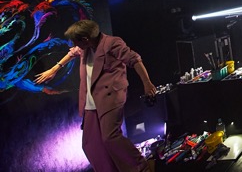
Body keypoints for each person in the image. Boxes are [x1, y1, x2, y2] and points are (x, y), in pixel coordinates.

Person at [35, 19, 156, 172]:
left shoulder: (111, 43)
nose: (74, 45)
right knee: (90, 144)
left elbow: (135, 60)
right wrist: (54, 69)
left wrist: (147, 83)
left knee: (110, 138)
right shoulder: (84, 47)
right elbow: (72, 53)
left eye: (76, 42)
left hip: (110, 97)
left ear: (85, 39)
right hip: (91, 100)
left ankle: (141, 167)